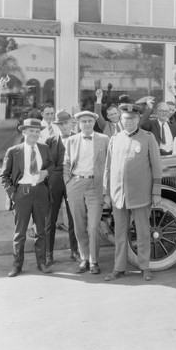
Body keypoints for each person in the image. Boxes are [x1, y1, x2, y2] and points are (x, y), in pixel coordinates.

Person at [103, 103, 163, 282]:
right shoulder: (114, 139)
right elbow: (108, 167)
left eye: (133, 119)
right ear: (121, 119)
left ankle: (145, 268)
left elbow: (156, 166)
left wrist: (156, 192)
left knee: (143, 233)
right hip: (118, 196)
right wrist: (106, 193)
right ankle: (118, 268)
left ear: (138, 119)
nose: (129, 122)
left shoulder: (148, 138)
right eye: (126, 119)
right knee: (120, 234)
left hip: (141, 195)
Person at [0, 118, 54, 277]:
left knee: (41, 231)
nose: (34, 134)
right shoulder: (13, 151)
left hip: (40, 192)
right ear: (23, 132)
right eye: (31, 131)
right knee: (20, 232)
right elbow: (4, 176)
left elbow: (51, 164)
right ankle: (17, 265)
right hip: (21, 193)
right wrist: (13, 193)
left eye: (37, 131)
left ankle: (42, 263)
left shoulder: (44, 148)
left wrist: (47, 172)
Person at [63, 110, 110, 274]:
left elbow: (108, 166)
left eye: (90, 121)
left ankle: (94, 261)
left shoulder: (104, 139)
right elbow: (66, 163)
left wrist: (106, 189)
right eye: (84, 122)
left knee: (93, 225)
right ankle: (84, 258)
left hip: (95, 185)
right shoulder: (71, 140)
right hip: (75, 183)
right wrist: (68, 183)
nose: (87, 124)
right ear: (79, 124)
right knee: (79, 224)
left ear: (94, 122)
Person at [44, 110, 80, 266]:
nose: (64, 127)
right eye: (60, 124)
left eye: (66, 123)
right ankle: (48, 253)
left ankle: (75, 251)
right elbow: (45, 164)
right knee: (50, 218)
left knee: (74, 217)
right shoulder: (50, 141)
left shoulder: (78, 138)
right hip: (55, 180)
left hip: (73, 178)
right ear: (57, 125)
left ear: (71, 123)